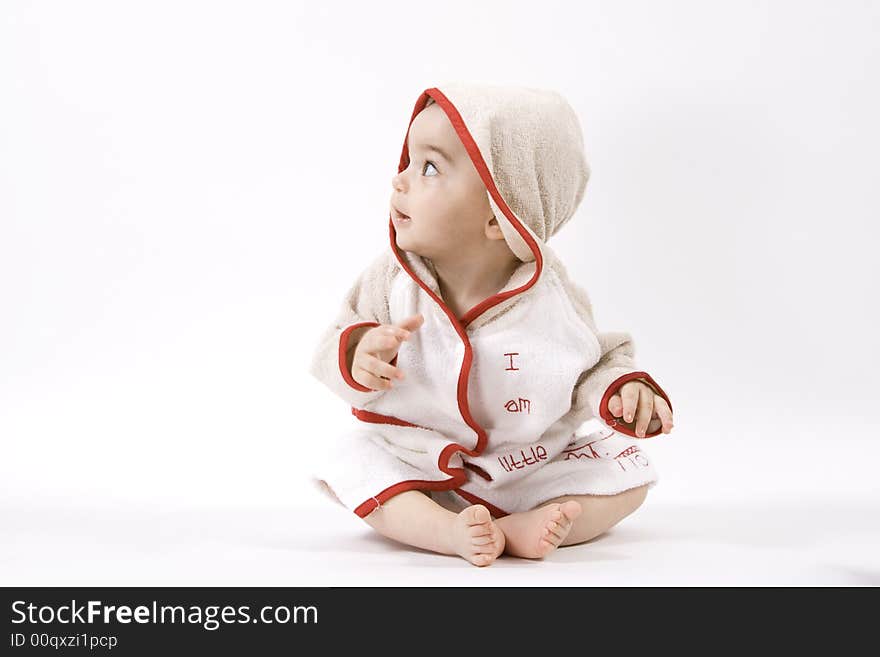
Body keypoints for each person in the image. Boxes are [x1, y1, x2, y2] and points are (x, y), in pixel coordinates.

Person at [308, 82, 674, 566]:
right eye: (408, 163)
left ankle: (526, 527)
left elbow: (592, 365)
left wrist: (621, 391)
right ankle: (446, 532)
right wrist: (358, 354)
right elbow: (335, 340)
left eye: (430, 167)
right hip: (418, 462)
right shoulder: (393, 283)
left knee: (628, 476)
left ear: (501, 218)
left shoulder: (550, 301)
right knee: (352, 462)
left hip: (526, 466)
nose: (400, 181)